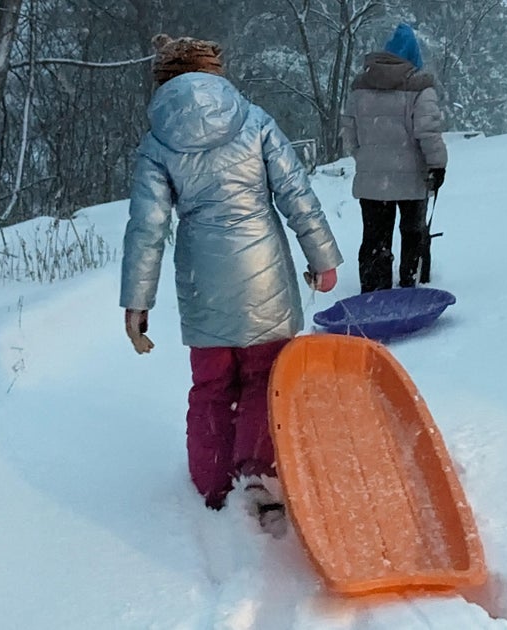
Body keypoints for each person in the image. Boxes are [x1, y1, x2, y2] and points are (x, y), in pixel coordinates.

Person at [119, 34, 343, 531]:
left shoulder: (158, 141)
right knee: (268, 378)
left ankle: (213, 485)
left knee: (212, 385)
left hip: (203, 278)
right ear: (215, 71)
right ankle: (261, 474)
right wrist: (322, 257)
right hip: (263, 268)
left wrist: (137, 301)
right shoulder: (254, 120)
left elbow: (147, 227)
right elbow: (296, 193)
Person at [340, 23, 447, 293]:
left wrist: (367, 159)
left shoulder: (360, 86)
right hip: (411, 177)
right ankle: (413, 286)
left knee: (375, 237)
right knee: (413, 233)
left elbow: (349, 133)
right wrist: (437, 165)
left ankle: (374, 291)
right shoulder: (420, 87)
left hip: (373, 181)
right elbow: (428, 132)